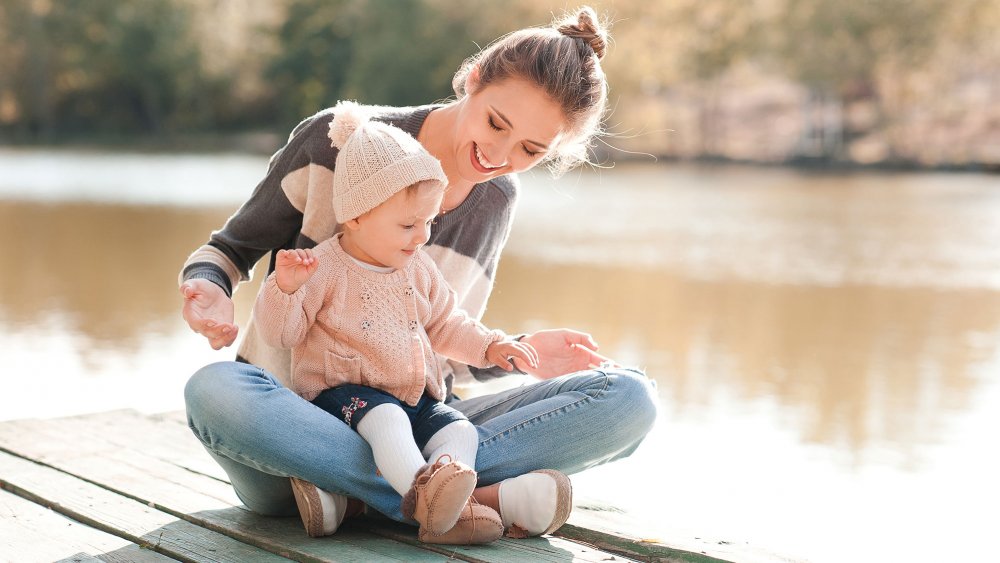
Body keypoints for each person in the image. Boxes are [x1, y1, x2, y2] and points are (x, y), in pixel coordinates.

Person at [180, 5, 658, 541]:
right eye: (496, 122)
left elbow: (438, 344)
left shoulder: (494, 199)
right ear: (472, 80)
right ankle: (458, 500)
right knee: (215, 390)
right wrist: (209, 286)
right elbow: (230, 248)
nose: (498, 154)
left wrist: (515, 351)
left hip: (414, 420)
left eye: (530, 149)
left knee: (628, 400)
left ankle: (373, 498)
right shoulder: (339, 142)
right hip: (296, 426)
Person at [254, 103, 541, 544]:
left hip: (413, 394)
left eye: (429, 221)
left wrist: (492, 347)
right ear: (356, 216)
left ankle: (446, 485)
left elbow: (447, 325)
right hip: (344, 396)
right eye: (409, 224)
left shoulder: (418, 268)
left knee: (459, 428)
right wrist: (286, 288)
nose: (423, 235)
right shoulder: (324, 267)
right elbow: (281, 334)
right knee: (387, 419)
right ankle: (427, 506)